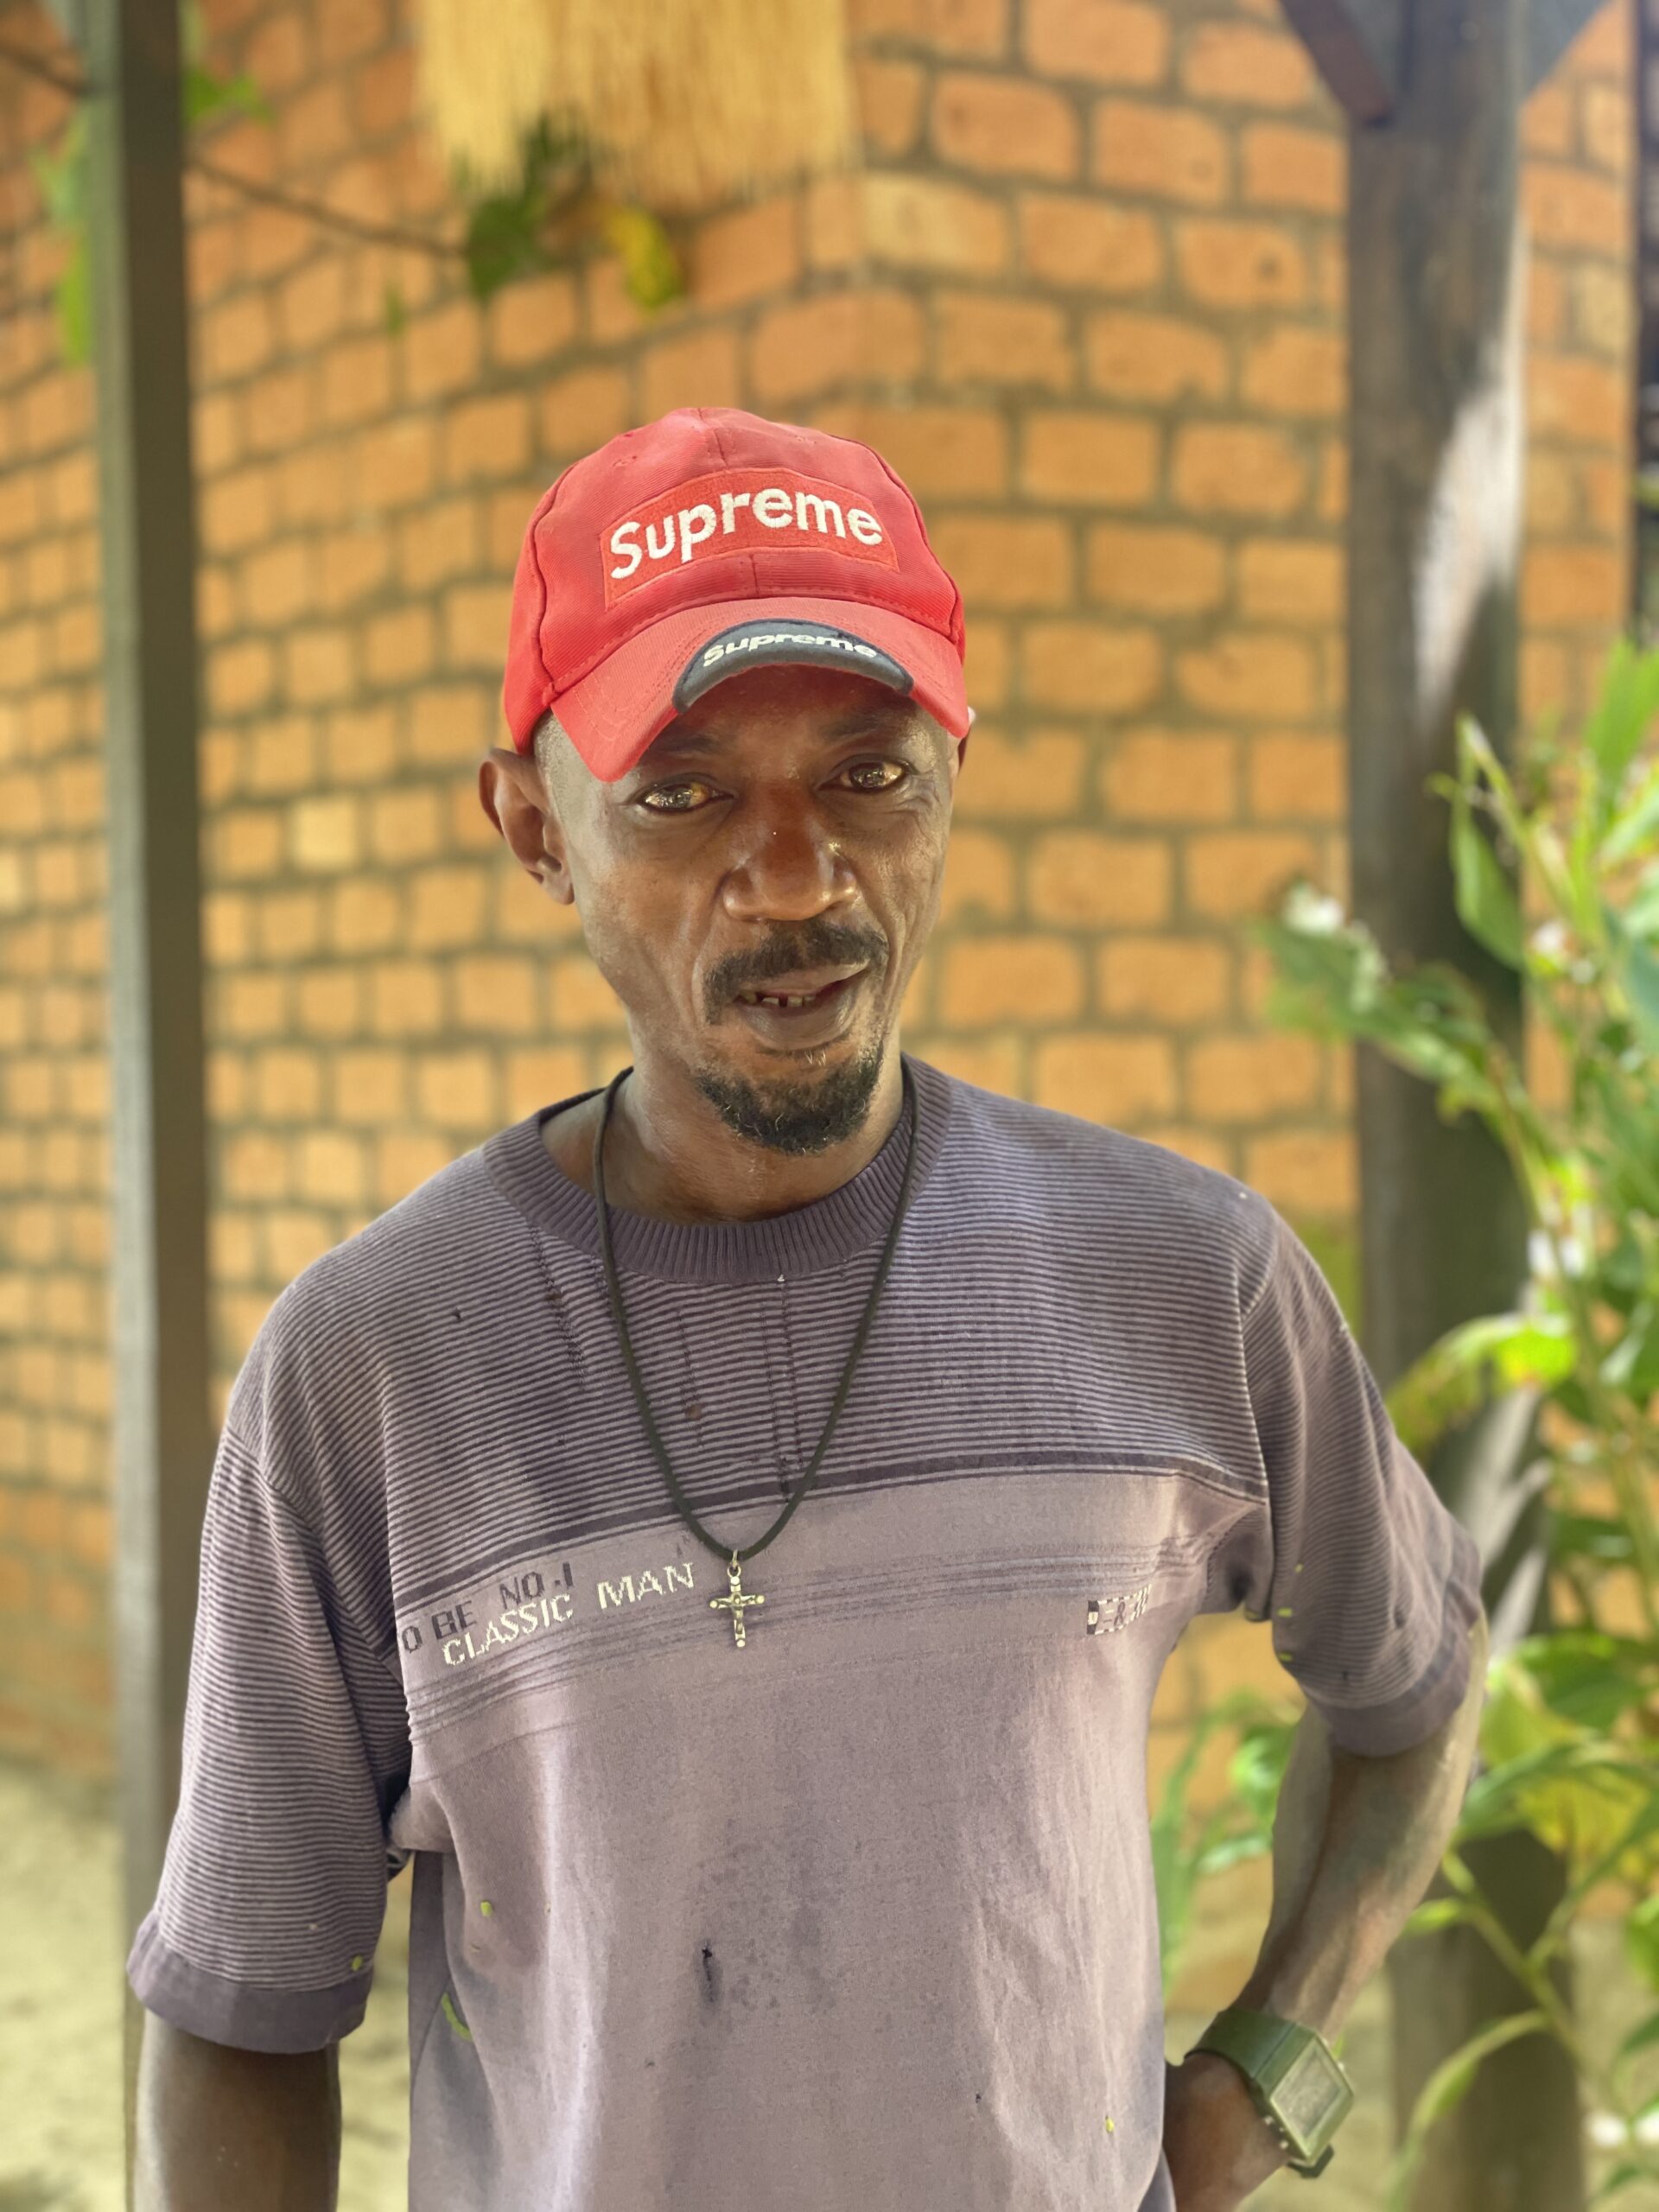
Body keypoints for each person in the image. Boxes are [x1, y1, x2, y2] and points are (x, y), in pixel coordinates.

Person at [128, 405, 1489, 2212]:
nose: (793, 874)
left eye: (870, 771)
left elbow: (1415, 1678)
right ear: (536, 828)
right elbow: (242, 2011)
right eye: (682, 793)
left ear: (952, 775)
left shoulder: (1185, 1276)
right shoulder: (375, 1369)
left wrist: (1265, 2070)